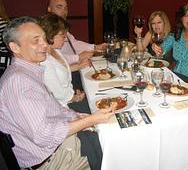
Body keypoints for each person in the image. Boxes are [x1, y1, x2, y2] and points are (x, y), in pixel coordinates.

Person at [0, 16, 115, 169]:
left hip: (55, 146)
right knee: (113, 151)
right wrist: (89, 121)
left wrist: (77, 117)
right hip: (51, 160)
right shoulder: (20, 83)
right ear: (15, 47)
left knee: (108, 132)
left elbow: (53, 108)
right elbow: (43, 136)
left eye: (44, 38)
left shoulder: (27, 71)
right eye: (36, 41)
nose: (44, 44)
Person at [152, 2, 188, 94]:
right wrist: (156, 48)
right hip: (175, 80)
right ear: (181, 18)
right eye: (186, 15)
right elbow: (161, 51)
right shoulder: (174, 36)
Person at [39, 12, 87, 107]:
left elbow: (61, 69)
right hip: (61, 107)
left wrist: (79, 65)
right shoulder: (44, 61)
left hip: (69, 96)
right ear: (51, 35)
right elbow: (57, 93)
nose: (65, 40)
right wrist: (75, 98)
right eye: (63, 36)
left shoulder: (55, 50)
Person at [47, 0, 107, 64]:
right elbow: (53, 59)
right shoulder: (45, 30)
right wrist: (78, 57)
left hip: (74, 65)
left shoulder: (61, 27)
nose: (63, 11)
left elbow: (74, 43)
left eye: (66, 8)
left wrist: (95, 47)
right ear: (49, 9)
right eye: (59, 7)